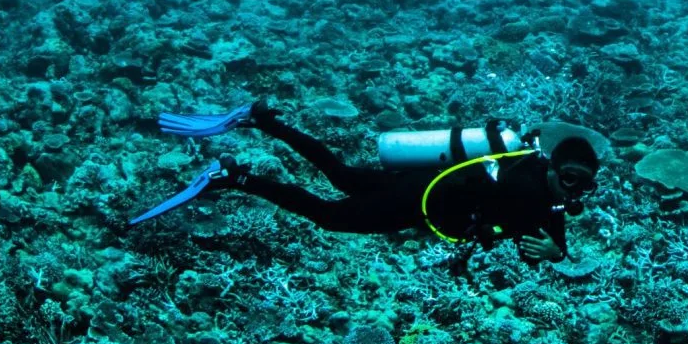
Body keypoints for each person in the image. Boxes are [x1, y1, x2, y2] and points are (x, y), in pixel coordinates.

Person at [130, 102, 600, 266]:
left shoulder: (536, 177)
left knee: (340, 174)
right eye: (569, 178)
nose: (574, 190)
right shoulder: (531, 193)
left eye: (584, 185)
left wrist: (556, 249)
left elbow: (549, 227)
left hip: (422, 181)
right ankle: (233, 177)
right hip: (417, 202)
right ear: (553, 168)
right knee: (328, 216)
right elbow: (531, 232)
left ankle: (262, 119)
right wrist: (555, 252)